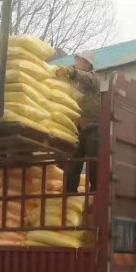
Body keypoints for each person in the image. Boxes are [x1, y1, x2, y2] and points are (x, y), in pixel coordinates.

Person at [57, 51, 100, 193]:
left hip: (92, 127)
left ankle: (96, 192)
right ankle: (69, 192)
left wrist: (72, 72)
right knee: (72, 162)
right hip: (76, 128)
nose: (75, 61)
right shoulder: (74, 80)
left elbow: (86, 78)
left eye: (78, 59)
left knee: (93, 162)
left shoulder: (93, 78)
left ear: (87, 63)